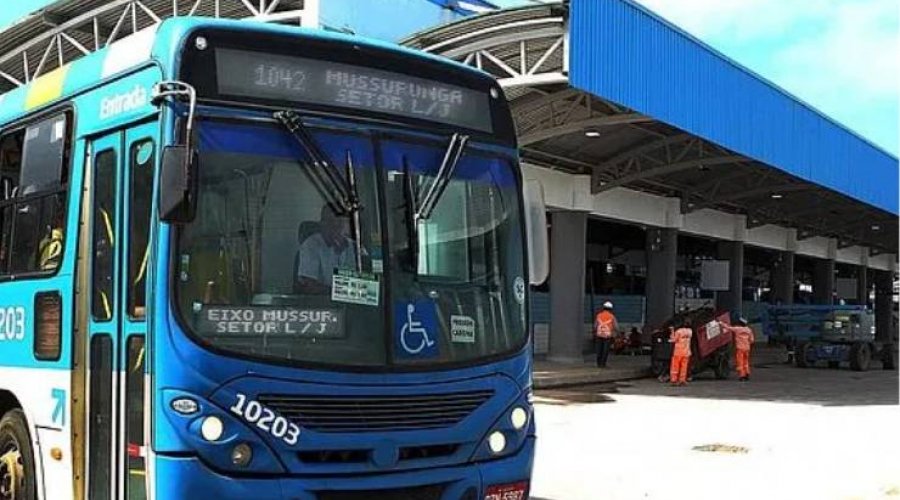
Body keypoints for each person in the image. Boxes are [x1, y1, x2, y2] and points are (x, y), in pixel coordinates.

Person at [296, 205, 357, 294]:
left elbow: (369, 279)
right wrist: (339, 293)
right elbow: (308, 285)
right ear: (322, 224)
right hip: (321, 304)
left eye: (340, 222)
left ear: (346, 225)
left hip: (352, 304)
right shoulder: (311, 245)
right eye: (330, 221)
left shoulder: (355, 247)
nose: (335, 226)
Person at [594, 301, 618, 368]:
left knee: (599, 350)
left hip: (599, 334)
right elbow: (616, 326)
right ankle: (603, 364)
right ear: (610, 309)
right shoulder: (612, 316)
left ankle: (598, 363)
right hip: (607, 336)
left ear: (603, 308)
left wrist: (595, 331)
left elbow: (595, 326)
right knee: (605, 350)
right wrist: (617, 333)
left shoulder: (599, 315)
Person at [669, 319, 692, 386]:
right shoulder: (690, 331)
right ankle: (682, 380)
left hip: (678, 351)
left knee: (675, 367)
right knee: (684, 367)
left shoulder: (678, 331)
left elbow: (674, 340)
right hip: (686, 351)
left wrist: (672, 331)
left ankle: (674, 380)